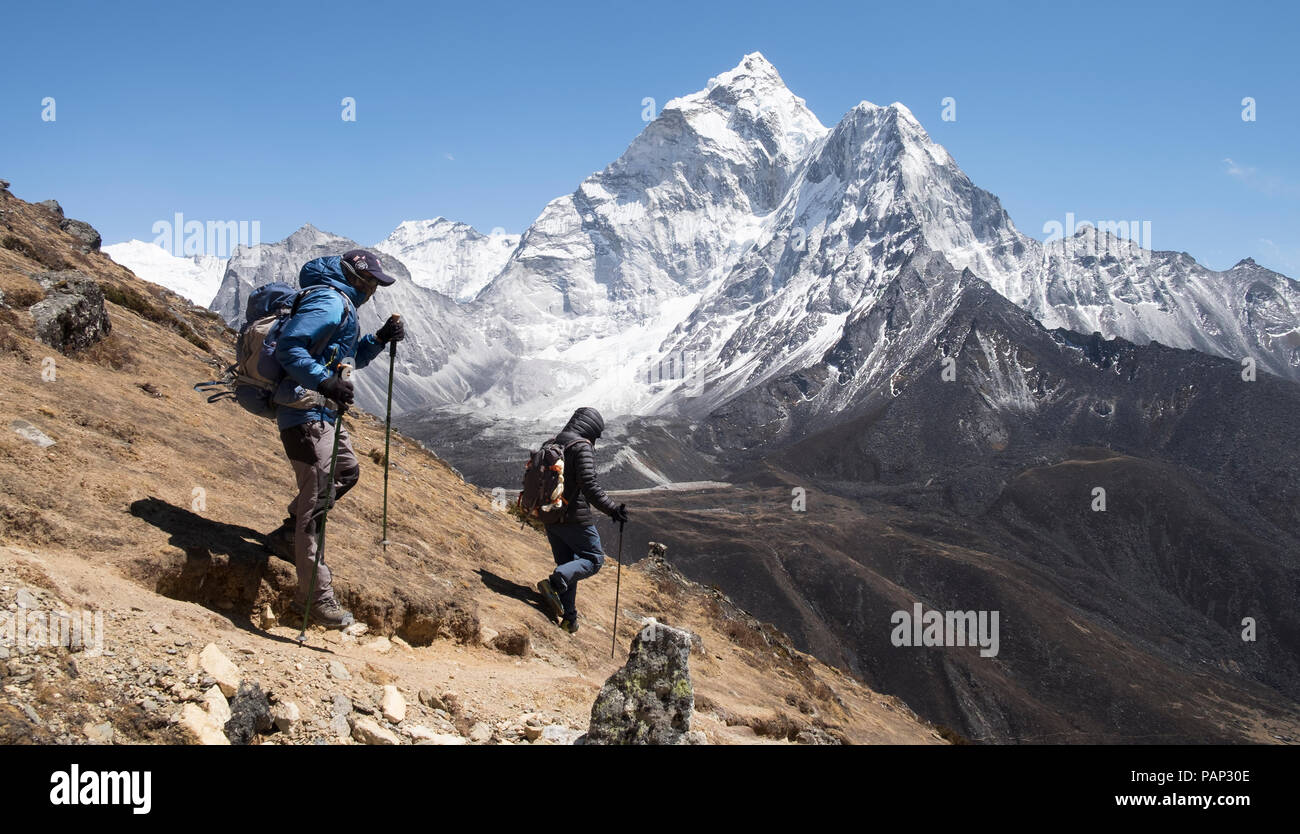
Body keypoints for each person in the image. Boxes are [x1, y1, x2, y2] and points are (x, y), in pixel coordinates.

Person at [266, 250, 405, 629]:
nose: (375, 290)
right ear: (357, 278)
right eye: (373, 282)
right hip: (304, 414)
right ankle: (313, 598)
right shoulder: (329, 300)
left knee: (346, 471)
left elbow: (346, 358)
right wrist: (323, 381)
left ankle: (284, 535)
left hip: (322, 413)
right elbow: (289, 347)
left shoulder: (341, 302)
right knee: (314, 509)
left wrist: (378, 339)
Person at [536, 407, 628, 633]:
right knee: (594, 558)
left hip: (550, 515)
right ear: (591, 430)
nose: (595, 440)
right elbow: (589, 486)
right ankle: (554, 583)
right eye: (596, 435)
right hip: (574, 518)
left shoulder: (550, 443)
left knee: (568, 566)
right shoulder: (581, 447)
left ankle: (569, 619)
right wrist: (613, 510)